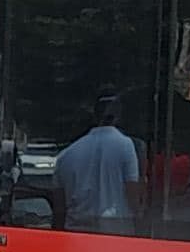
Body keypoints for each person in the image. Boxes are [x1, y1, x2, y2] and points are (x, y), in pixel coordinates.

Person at [53, 89, 141, 234]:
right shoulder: (126, 146)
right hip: (116, 233)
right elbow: (132, 193)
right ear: (118, 116)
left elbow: (59, 208)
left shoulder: (66, 156)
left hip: (76, 233)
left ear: (94, 116)